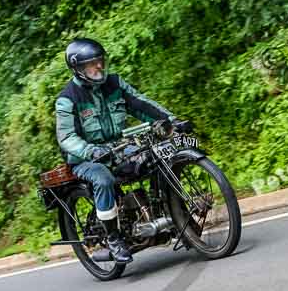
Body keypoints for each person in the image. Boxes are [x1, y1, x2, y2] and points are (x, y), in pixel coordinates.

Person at [55, 38, 192, 264]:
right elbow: (66, 137)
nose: (99, 66)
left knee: (156, 156)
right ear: (78, 68)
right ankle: (113, 238)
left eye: (100, 61)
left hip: (117, 147)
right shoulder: (67, 99)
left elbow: (140, 103)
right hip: (86, 158)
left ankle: (175, 217)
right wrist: (90, 151)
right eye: (92, 63)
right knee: (103, 179)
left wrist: (171, 121)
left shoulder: (114, 83)